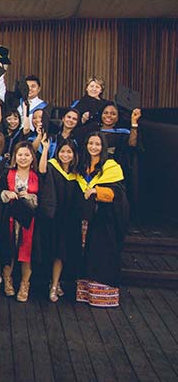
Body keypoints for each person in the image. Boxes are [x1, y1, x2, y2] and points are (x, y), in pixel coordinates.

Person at [75, 132, 129, 308]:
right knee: (86, 255)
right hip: (85, 220)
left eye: (97, 144)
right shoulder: (81, 165)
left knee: (102, 254)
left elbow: (118, 194)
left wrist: (97, 192)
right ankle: (86, 293)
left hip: (104, 220)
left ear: (103, 147)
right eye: (90, 143)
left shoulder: (111, 167)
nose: (93, 147)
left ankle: (103, 296)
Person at [37, 138, 82, 302]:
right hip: (52, 217)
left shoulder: (77, 174)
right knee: (51, 252)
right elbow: (41, 171)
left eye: (69, 152)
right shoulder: (51, 167)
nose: (65, 154)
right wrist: (46, 149)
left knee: (61, 254)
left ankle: (55, 284)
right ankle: (51, 283)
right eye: (62, 151)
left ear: (74, 155)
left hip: (69, 220)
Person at [0, 142, 39, 302]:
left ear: (32, 157)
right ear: (15, 156)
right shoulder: (7, 173)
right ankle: (7, 280)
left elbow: (41, 197)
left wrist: (30, 197)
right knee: (10, 250)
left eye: (27, 155)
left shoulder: (37, 175)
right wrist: (7, 193)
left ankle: (24, 284)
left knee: (26, 253)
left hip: (30, 220)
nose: (23, 158)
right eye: (20, 155)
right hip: (10, 217)